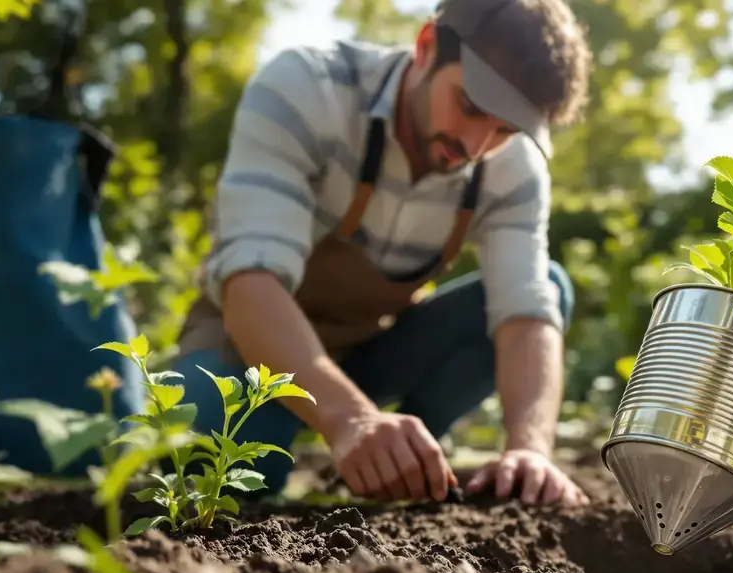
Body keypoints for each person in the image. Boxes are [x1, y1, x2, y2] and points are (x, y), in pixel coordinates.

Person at [170, 0, 593, 507]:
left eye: (505, 130)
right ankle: (342, 441)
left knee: (550, 285)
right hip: (245, 349)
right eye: (471, 106)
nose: (477, 145)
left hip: (371, 351)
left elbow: (524, 312)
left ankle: (408, 462)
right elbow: (250, 282)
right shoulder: (306, 88)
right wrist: (350, 418)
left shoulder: (515, 167)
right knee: (225, 466)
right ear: (425, 47)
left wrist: (532, 449)